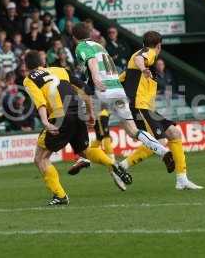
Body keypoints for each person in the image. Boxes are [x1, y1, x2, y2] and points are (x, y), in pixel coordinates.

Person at [23, 50, 132, 205]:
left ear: (26, 66)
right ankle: (112, 164)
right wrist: (90, 114)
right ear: (43, 63)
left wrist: (45, 122)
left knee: (40, 158)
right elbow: (85, 91)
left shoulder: (29, 80)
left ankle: (60, 195)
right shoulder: (60, 70)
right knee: (84, 150)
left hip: (60, 116)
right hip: (78, 111)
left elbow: (39, 101)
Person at [71, 22, 174, 173]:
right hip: (118, 89)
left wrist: (95, 77)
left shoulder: (81, 46)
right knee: (132, 130)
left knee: (76, 116)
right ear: (90, 34)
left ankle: (84, 156)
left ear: (74, 37)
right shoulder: (100, 46)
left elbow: (91, 61)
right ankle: (162, 151)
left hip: (102, 89)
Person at [117, 30, 203, 190]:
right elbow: (139, 58)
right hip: (139, 106)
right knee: (161, 142)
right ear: (159, 46)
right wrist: (143, 69)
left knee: (174, 134)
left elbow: (121, 77)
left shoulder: (134, 60)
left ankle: (182, 179)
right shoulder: (148, 53)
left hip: (145, 107)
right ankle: (121, 167)